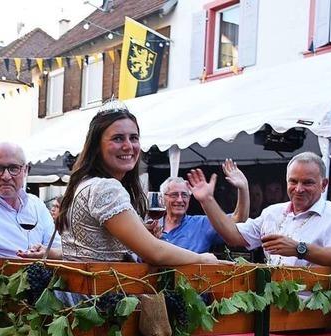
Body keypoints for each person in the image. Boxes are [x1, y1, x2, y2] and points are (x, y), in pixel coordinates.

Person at [55, 102, 218, 265]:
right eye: (118, 138)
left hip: (84, 285)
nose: (128, 146)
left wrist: (140, 235)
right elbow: (156, 252)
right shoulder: (104, 188)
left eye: (133, 138)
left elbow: (88, 248)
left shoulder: (85, 182)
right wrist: (202, 258)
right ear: (97, 146)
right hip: (100, 288)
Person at [187, 151, 331, 273]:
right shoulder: (273, 213)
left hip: (314, 319)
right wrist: (207, 201)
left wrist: (300, 249)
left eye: (308, 182)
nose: (298, 189)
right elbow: (234, 236)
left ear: (324, 185)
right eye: (293, 181)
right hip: (273, 312)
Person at [157, 159, 249, 253]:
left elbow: (238, 220)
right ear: (162, 198)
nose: (180, 200)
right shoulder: (151, 225)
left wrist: (243, 188)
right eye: (174, 195)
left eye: (184, 195)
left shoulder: (201, 225)